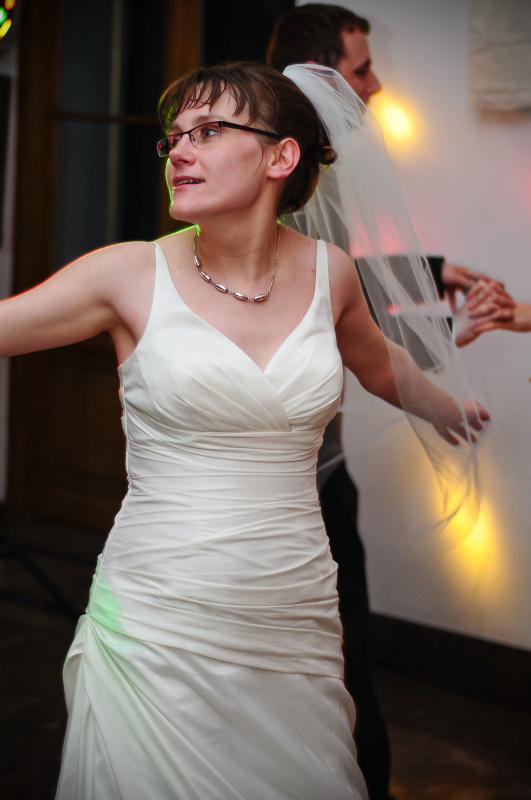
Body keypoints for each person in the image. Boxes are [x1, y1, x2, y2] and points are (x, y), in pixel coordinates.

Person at [0, 62, 487, 800]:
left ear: (280, 156)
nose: (179, 151)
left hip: (292, 611)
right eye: (173, 139)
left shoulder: (330, 272)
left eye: (207, 131)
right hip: (159, 617)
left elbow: (378, 363)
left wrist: (445, 404)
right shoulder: (125, 275)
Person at [267, 7, 512, 799]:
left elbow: (330, 270)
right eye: (363, 69)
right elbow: (324, 306)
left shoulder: (304, 172)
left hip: (316, 466)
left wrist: (430, 270)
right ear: (322, 73)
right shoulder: (282, 177)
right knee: (338, 648)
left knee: (339, 646)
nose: (374, 86)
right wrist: (444, 340)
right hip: (290, 477)